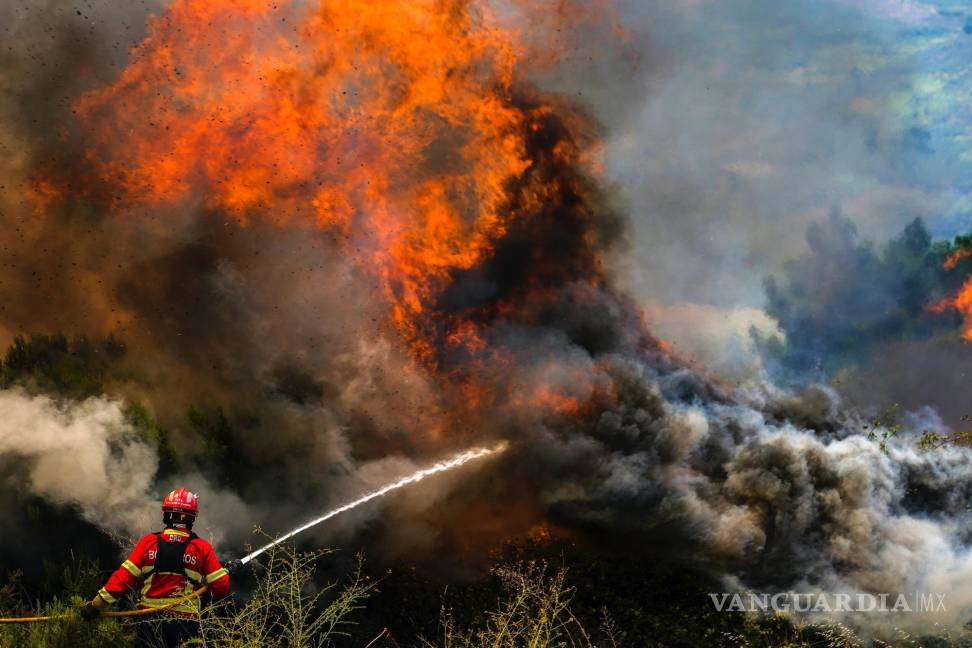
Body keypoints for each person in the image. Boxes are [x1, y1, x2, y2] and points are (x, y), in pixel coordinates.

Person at [80, 487, 240, 647]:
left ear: (166, 514)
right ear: (192, 518)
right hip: (185, 625)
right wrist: (226, 571)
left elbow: (122, 579)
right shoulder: (201, 548)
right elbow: (220, 587)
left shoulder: (148, 543)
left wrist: (95, 605)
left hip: (150, 623)